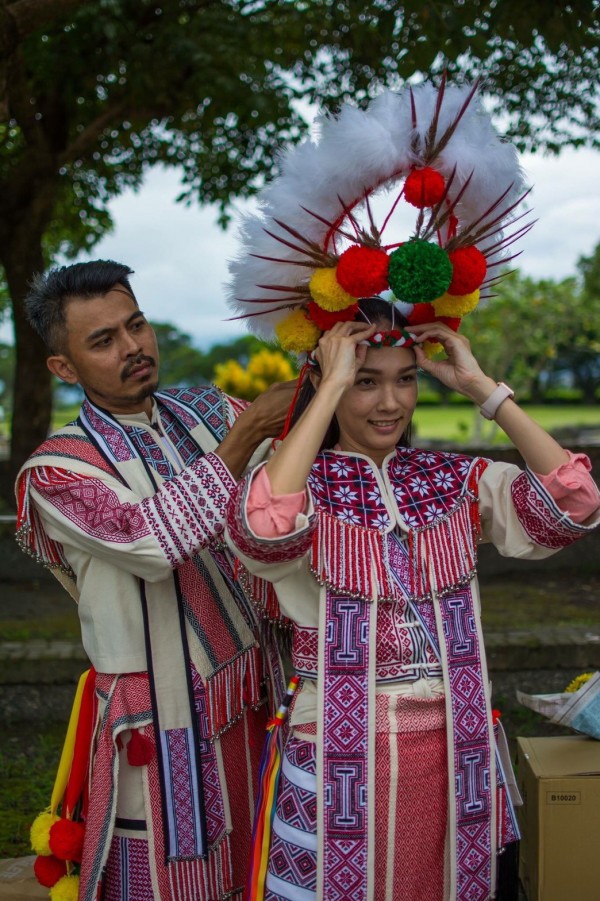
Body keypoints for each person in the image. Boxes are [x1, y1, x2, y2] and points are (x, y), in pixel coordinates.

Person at [222, 78, 600, 900]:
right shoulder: (301, 484)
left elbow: (573, 503)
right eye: (369, 381)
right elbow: (260, 531)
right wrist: (326, 383)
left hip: (458, 750)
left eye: (402, 380)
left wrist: (482, 388)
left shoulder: (451, 479)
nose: (389, 400)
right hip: (340, 764)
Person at [15, 259, 294, 901]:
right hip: (158, 713)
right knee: (172, 873)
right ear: (64, 368)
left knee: (266, 860)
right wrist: (251, 428)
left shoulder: (206, 409)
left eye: (135, 324)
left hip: (259, 686)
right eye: (103, 340)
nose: (134, 347)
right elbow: (150, 542)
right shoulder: (56, 470)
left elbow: (300, 464)